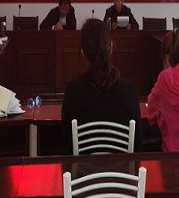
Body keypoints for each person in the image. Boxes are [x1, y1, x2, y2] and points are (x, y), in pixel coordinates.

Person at [61, 19, 142, 152]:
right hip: (121, 166)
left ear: (83, 53)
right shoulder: (128, 91)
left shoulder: (73, 90)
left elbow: (67, 141)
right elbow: (137, 143)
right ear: (110, 48)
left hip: (83, 166)